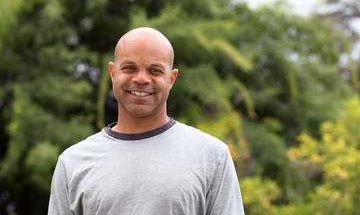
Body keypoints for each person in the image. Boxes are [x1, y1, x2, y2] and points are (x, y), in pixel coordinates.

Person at [48, 27, 245, 215]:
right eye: (130, 67)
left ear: (171, 79)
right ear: (113, 73)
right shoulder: (72, 163)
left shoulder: (211, 157)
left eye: (155, 70)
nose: (141, 78)